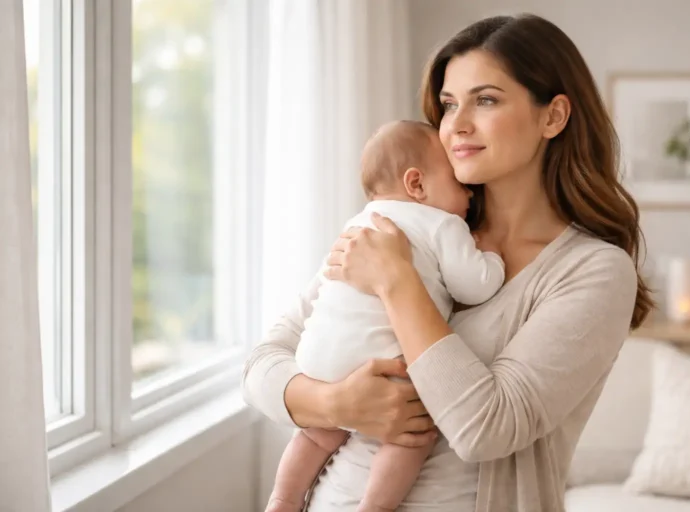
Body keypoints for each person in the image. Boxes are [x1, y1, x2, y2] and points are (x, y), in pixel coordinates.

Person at [243, 13, 654, 512]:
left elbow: (486, 428)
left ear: (553, 116)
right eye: (448, 104)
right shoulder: (406, 225)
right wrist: (337, 404)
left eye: (485, 100)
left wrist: (398, 282)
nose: (455, 125)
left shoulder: (592, 271)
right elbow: (262, 365)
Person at [266, 120, 505, 512]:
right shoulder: (444, 224)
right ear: (417, 185)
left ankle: (283, 499)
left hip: (317, 356)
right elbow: (475, 286)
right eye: (460, 184)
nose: (468, 196)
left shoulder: (358, 224)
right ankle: (374, 507)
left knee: (316, 435)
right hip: (380, 358)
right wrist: (491, 256)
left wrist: (329, 401)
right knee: (412, 434)